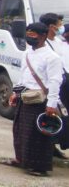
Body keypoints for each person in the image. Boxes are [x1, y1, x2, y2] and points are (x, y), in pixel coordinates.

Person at [6, 22, 64, 177]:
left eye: (33, 34)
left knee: (37, 135)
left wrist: (51, 104)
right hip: (25, 96)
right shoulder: (27, 53)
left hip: (40, 99)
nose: (29, 37)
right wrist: (15, 93)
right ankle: (21, 159)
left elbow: (55, 81)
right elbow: (23, 75)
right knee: (20, 130)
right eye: (28, 34)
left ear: (43, 36)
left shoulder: (52, 57)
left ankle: (39, 167)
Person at [39, 13, 69, 157]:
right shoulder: (43, 44)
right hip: (51, 85)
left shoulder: (59, 41)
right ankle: (48, 147)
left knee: (63, 116)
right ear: (51, 27)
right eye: (59, 24)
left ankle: (55, 145)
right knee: (50, 115)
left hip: (63, 83)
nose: (61, 27)